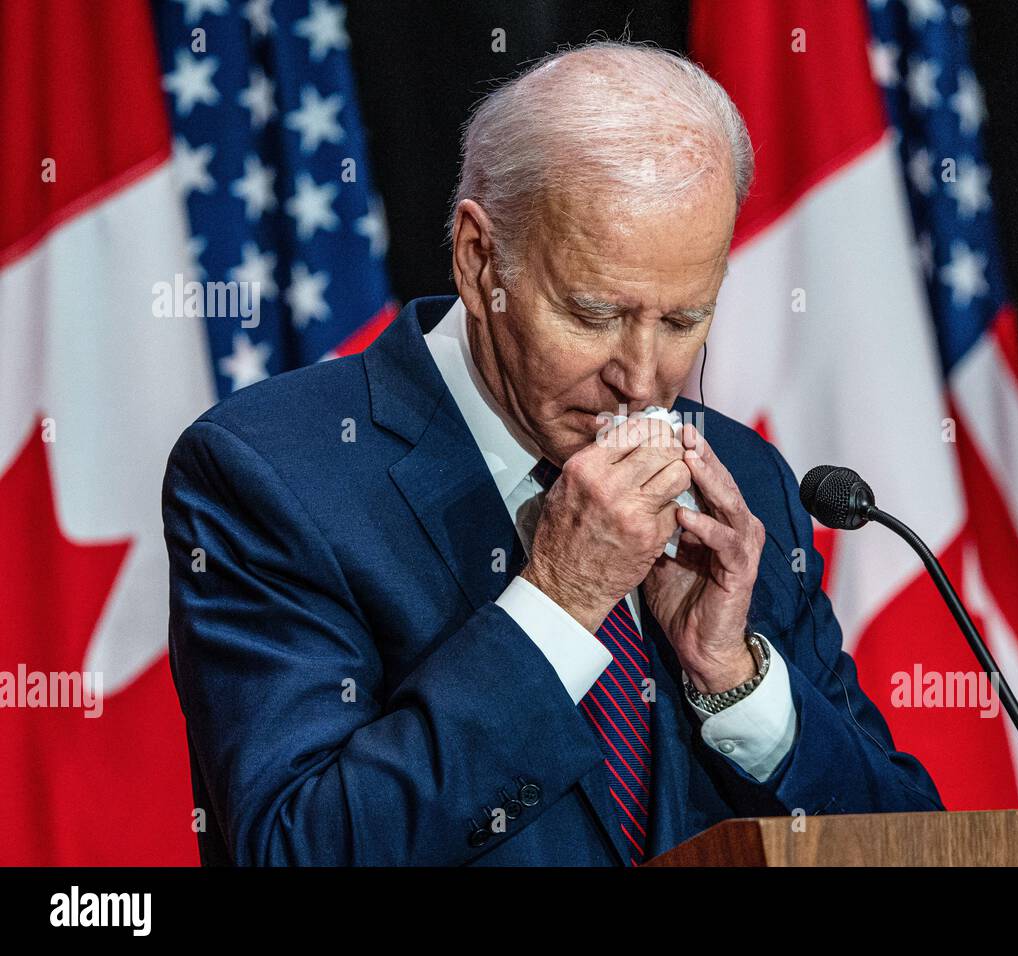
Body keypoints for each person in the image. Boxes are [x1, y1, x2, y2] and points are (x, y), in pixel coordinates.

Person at [162, 40, 942, 867]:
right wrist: (560, 601)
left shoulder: (743, 482)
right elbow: (293, 851)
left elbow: (908, 846)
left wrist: (734, 678)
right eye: (596, 314)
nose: (642, 380)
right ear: (478, 259)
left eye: (683, 322)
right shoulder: (272, 474)